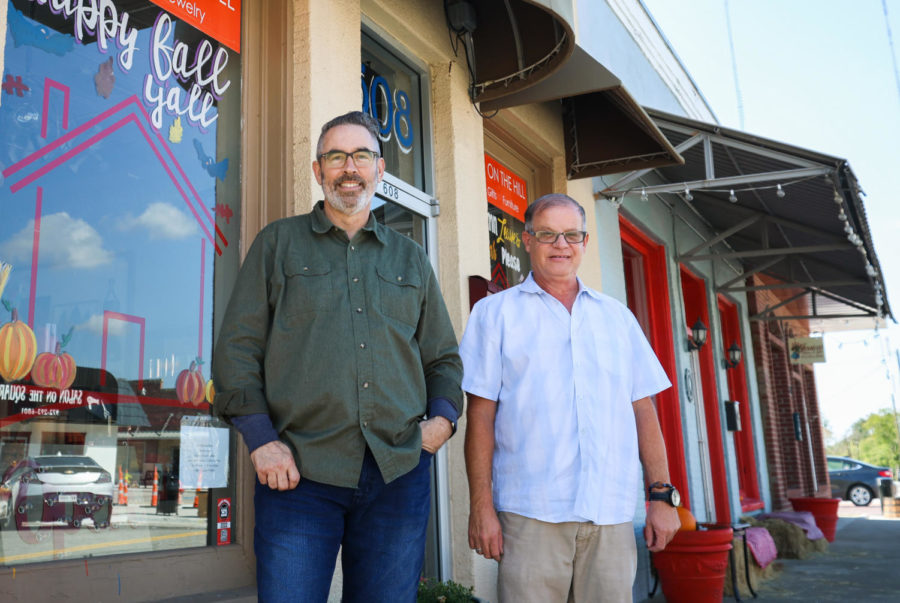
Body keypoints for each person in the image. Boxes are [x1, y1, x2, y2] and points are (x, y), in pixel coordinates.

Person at [211, 111, 463, 602]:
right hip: (299, 475)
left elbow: (443, 358)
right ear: (317, 169)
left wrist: (442, 424)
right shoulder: (277, 245)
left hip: (398, 472)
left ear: (380, 168)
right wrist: (262, 440)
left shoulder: (410, 258)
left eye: (361, 156)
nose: (350, 168)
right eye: (336, 157)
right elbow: (237, 350)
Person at [460, 194, 681, 602]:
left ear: (584, 241)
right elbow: (480, 417)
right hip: (530, 515)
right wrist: (481, 506)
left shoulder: (618, 318)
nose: (560, 244)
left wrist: (662, 496)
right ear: (527, 240)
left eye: (571, 235)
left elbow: (643, 411)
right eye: (547, 234)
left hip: (610, 513)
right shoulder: (494, 315)